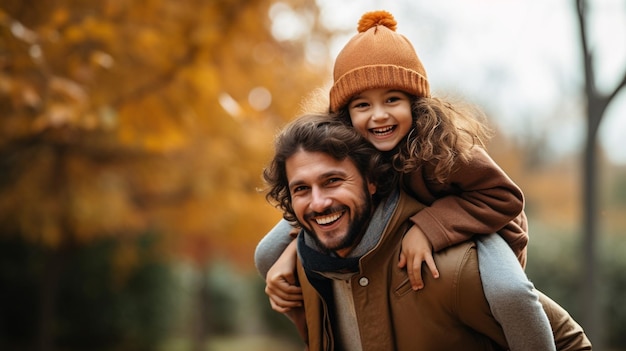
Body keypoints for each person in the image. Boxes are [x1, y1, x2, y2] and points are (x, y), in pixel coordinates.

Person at [256, 10, 556, 350]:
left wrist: (428, 227)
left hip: (480, 224)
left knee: (511, 292)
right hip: (410, 214)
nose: (379, 115)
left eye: (392, 100)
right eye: (362, 105)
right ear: (344, 114)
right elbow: (328, 200)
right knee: (267, 254)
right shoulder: (354, 145)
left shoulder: (444, 147)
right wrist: (295, 247)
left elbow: (504, 198)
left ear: (415, 102)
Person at [260, 113, 591, 350]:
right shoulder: (304, 272)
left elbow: (568, 341)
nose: (318, 203)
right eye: (301, 189)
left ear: (372, 181)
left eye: (333, 180)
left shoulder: (452, 269)